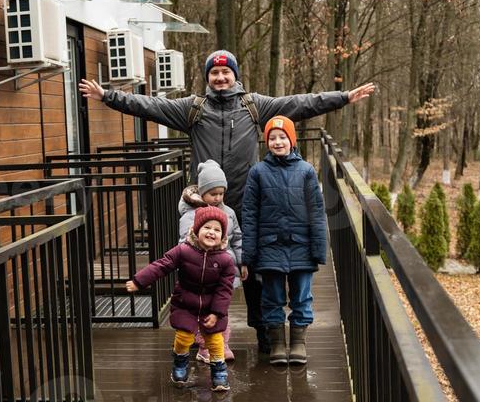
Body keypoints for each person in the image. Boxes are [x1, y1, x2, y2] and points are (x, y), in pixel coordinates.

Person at [81, 49, 372, 358]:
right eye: (214, 73)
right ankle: (201, 336)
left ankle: (265, 335)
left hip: (247, 203)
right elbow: (150, 106)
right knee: (198, 271)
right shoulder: (193, 109)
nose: (220, 78)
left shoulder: (253, 106)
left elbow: (301, 103)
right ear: (208, 77)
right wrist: (108, 96)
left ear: (235, 75)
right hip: (206, 209)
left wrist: (343, 97)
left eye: (226, 72)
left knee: (254, 271)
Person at [240, 115, 326, 366]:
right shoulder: (258, 172)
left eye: (282, 137)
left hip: (301, 245)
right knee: (272, 296)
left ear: (292, 140)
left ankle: (298, 342)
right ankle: (277, 342)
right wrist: (248, 255)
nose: (278, 142)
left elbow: (317, 213)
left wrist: (318, 250)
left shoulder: (307, 171)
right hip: (269, 246)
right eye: (272, 138)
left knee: (302, 296)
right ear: (266, 142)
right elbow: (250, 214)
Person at [125, 205, 237, 393]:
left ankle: (219, 370)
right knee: (184, 337)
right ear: (196, 230)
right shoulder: (183, 251)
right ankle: (180, 362)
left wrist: (217, 313)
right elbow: (161, 265)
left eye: (217, 230)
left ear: (223, 235)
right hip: (186, 302)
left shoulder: (226, 260)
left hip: (211, 306)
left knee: (215, 339)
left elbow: (225, 290)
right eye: (207, 227)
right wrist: (139, 281)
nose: (211, 232)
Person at [178, 160, 243, 362]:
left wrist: (242, 262)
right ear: (203, 192)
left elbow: (238, 239)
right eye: (213, 193)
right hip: (201, 272)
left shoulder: (229, 213)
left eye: (221, 193)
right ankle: (205, 346)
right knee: (203, 309)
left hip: (225, 269)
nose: (217, 198)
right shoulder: (191, 215)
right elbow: (184, 242)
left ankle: (221, 342)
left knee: (220, 308)